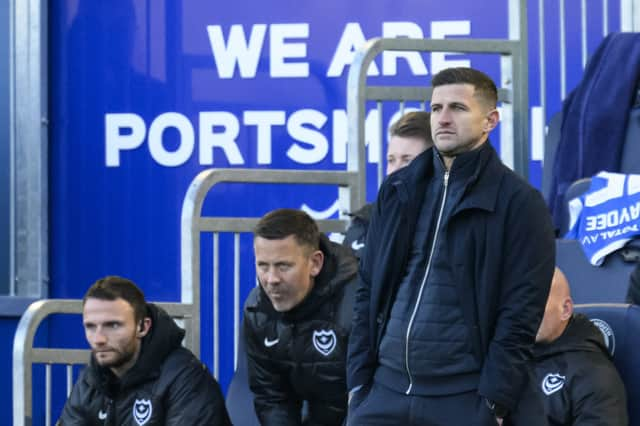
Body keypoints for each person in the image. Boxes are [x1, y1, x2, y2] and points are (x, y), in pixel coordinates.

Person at [346, 67, 556, 425]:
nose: (443, 118)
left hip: (463, 399)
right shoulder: (396, 191)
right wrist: (358, 384)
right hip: (383, 391)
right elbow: (368, 289)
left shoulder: (520, 203)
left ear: (490, 120)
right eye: (435, 108)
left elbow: (520, 313)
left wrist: (493, 403)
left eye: (457, 108)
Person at [58, 276, 231, 425]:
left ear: (142, 326)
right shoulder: (91, 381)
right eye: (90, 327)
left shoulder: (186, 379)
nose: (98, 339)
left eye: (113, 325)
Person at [243, 208, 358, 425]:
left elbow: (371, 396)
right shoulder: (257, 311)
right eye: (262, 266)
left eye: (283, 266)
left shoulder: (359, 303)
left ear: (315, 263)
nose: (271, 279)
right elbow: (272, 397)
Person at [534, 267, 628, 425]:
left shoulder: (595, 377)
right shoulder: (508, 358)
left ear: (565, 309)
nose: (524, 315)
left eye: (536, 305)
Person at [342, 111, 433, 259]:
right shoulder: (366, 221)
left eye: (407, 160)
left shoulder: (447, 223)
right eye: (391, 160)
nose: (395, 170)